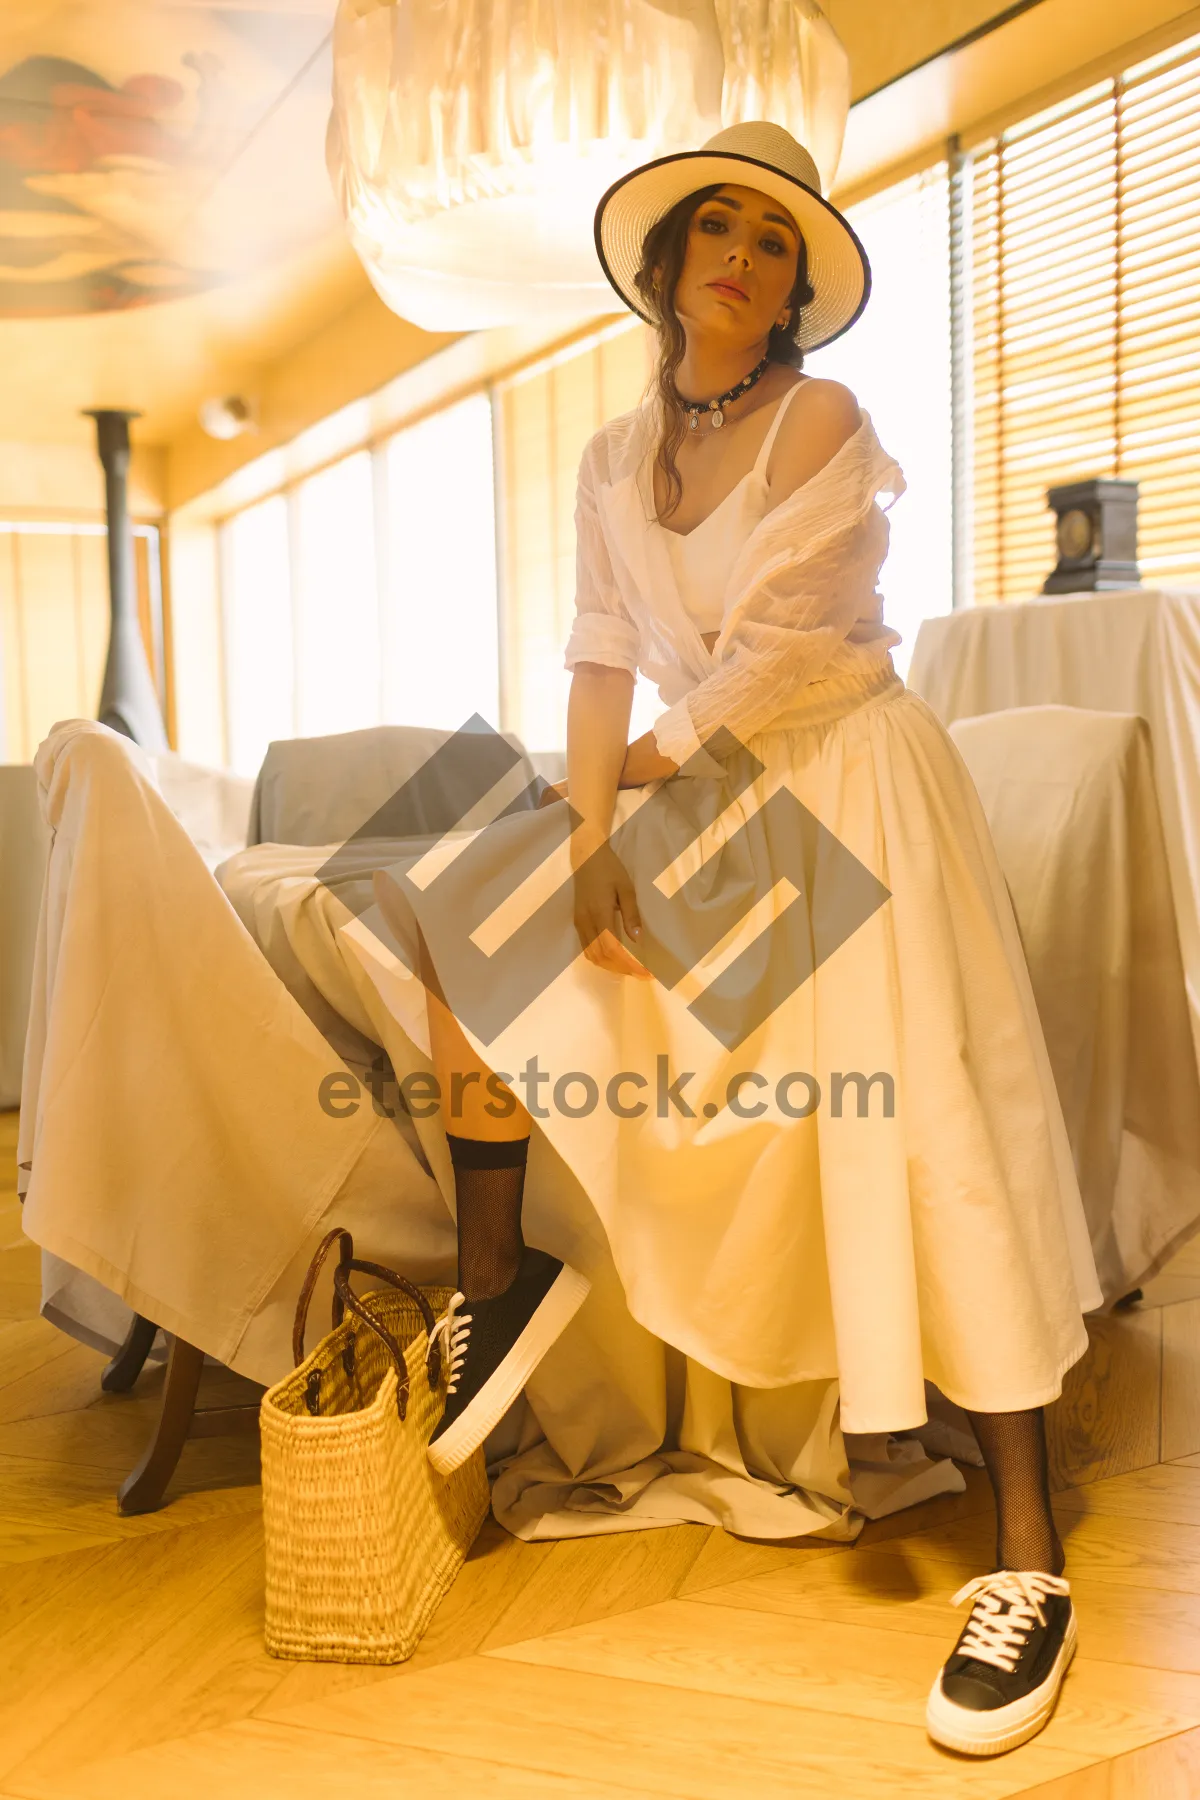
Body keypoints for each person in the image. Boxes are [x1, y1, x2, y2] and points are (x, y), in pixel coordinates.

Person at [369, 121, 1102, 1758]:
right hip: (707, 800)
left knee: (929, 1147)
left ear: (792, 297)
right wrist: (579, 844)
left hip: (851, 791)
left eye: (776, 243)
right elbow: (594, 651)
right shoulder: (608, 458)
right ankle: (498, 1282)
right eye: (718, 225)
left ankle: (1030, 1558)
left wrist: (628, 784)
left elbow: (776, 659)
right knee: (446, 913)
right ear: (663, 266)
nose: (746, 258)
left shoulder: (828, 421)